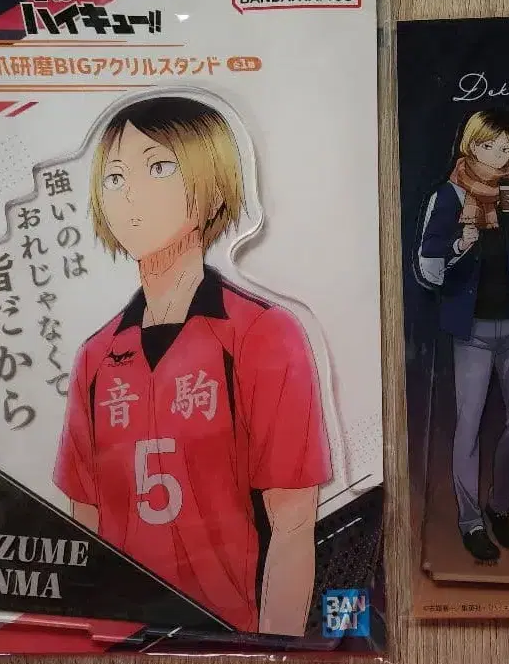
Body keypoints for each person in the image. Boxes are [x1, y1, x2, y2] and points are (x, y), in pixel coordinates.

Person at [53, 96, 332, 635]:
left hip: (229, 634)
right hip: (118, 641)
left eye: (159, 167)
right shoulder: (95, 357)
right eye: (114, 177)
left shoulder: (262, 334)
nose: (129, 192)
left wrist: (273, 654)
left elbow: (294, 523)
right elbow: (84, 519)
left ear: (213, 187)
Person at [419, 108, 509, 562]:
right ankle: (471, 522)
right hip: (471, 330)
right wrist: (459, 244)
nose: (499, 154)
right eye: (490, 145)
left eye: (506, 147)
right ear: (471, 145)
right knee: (468, 426)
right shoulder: (448, 195)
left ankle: (499, 505)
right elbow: (427, 263)